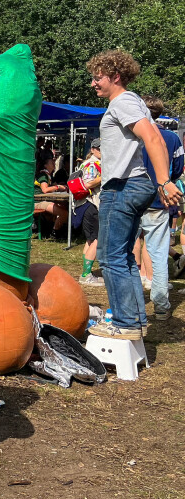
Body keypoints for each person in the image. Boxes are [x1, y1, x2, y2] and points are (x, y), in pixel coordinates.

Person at [86, 50, 182, 341]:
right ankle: (135, 321)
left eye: (97, 77)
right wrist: (160, 180)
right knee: (123, 256)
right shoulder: (135, 101)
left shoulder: (123, 101)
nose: (93, 83)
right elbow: (158, 140)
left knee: (110, 256)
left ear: (115, 76)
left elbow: (152, 139)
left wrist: (164, 181)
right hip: (136, 184)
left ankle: (126, 322)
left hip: (123, 186)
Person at [132, 96, 184, 322]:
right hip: (159, 199)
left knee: (126, 251)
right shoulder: (172, 138)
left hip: (131, 198)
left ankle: (132, 303)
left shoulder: (131, 134)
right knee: (160, 253)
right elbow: (178, 168)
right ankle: (161, 306)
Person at [73, 139, 103, 285]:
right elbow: (88, 183)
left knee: (91, 239)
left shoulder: (91, 163)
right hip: (90, 205)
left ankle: (87, 272)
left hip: (87, 205)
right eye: (99, 149)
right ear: (93, 149)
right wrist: (105, 177)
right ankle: (86, 275)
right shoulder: (92, 164)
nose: (102, 151)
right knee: (98, 239)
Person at [34, 156, 68, 238]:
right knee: (64, 213)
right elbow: (45, 189)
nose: (54, 163)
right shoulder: (43, 175)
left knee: (62, 207)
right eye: (52, 162)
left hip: (42, 201)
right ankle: (54, 233)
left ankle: (55, 229)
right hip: (37, 202)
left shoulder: (48, 176)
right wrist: (58, 187)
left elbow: (52, 186)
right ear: (45, 165)